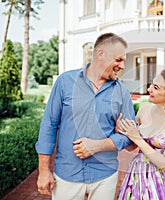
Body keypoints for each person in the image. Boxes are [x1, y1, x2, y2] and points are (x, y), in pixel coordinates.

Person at [35, 32, 136, 200]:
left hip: (105, 176)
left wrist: (99, 145)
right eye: (119, 60)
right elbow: (49, 125)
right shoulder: (65, 82)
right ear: (100, 54)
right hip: (67, 175)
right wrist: (44, 171)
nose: (123, 66)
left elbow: (131, 136)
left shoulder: (122, 92)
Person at [116, 68, 165, 199]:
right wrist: (120, 129)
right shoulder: (144, 110)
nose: (149, 89)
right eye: (151, 84)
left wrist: (137, 137)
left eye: (155, 87)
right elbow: (132, 147)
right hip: (138, 175)